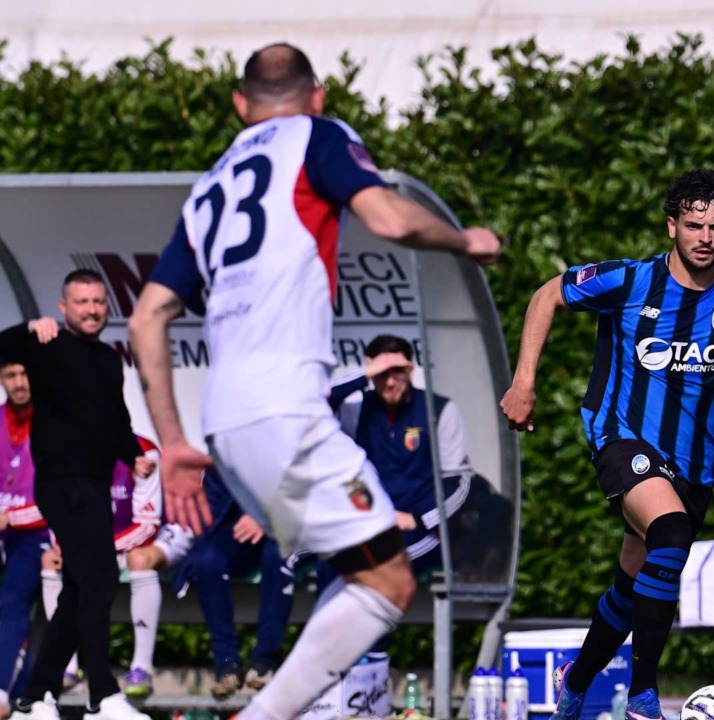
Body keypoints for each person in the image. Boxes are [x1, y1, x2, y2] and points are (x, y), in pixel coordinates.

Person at [127, 42, 501, 720]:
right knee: (389, 582)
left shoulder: (209, 185)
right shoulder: (316, 136)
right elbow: (389, 217)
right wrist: (463, 239)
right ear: (319, 95)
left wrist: (173, 439)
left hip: (225, 425)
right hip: (285, 412)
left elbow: (148, 315)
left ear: (241, 106)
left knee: (364, 569)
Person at [500, 168, 714, 720]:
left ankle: (578, 679)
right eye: (693, 225)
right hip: (622, 438)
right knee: (670, 532)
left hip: (696, 465)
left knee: (633, 582)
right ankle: (643, 696)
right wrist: (524, 382)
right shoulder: (629, 280)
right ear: (672, 227)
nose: (705, 238)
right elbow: (547, 296)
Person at [0, 270, 154, 720]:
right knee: (101, 578)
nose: (91, 310)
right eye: (81, 302)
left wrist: (132, 455)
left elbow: (116, 419)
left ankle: (34, 695)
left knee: (82, 587)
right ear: (64, 308)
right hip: (60, 485)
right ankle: (101, 696)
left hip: (94, 484)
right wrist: (28, 328)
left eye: (98, 302)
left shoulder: (108, 359)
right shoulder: (45, 345)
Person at [39, 436, 193, 701]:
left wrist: (92, 549)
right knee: (52, 560)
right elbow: (59, 513)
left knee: (139, 559)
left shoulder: (143, 453)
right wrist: (67, 545)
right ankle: (67, 668)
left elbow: (147, 526)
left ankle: (141, 668)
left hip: (155, 534)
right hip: (104, 544)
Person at [327, 334, 475, 579]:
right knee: (323, 565)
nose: (391, 382)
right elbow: (317, 404)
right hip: (370, 522)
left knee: (370, 566)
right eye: (382, 373)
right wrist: (364, 374)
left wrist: (419, 518)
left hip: (421, 529)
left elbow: (458, 482)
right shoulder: (358, 407)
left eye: (398, 371)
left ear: (411, 369)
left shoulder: (439, 410)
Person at [175, 467, 299, 700]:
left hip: (291, 525)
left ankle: (265, 660)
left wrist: (264, 516)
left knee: (276, 557)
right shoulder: (223, 444)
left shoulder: (289, 436)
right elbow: (212, 509)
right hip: (242, 532)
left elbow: (303, 485)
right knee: (206, 561)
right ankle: (226, 663)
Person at [0, 362, 45, 719]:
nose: (18, 383)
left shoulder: (54, 423)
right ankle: (30, 695)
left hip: (38, 534)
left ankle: (2, 693)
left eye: (24, 374)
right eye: (10, 376)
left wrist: (13, 517)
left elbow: (62, 494)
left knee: (13, 598)